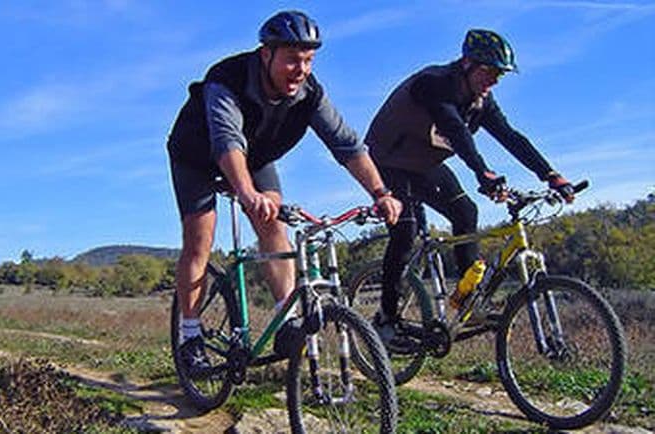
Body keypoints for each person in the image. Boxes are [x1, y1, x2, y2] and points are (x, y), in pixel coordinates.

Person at [166, 11, 403, 372]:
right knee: (200, 240)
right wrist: (247, 193)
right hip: (197, 156)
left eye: (308, 60)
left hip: (256, 156)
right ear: (267, 54)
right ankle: (190, 335)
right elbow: (227, 140)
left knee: (273, 223)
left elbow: (347, 144)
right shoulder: (227, 79)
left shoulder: (310, 94)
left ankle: (286, 321)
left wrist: (380, 192)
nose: (301, 69)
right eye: (292, 59)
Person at [364, 29, 575, 347]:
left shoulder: (481, 101)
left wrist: (550, 174)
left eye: (499, 75)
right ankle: (387, 319)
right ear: (467, 63)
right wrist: (482, 172)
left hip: (423, 162)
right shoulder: (433, 83)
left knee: (466, 211)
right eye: (489, 72)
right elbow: (454, 129)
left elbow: (510, 136)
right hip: (388, 160)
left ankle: (467, 300)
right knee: (405, 232)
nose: (493, 81)